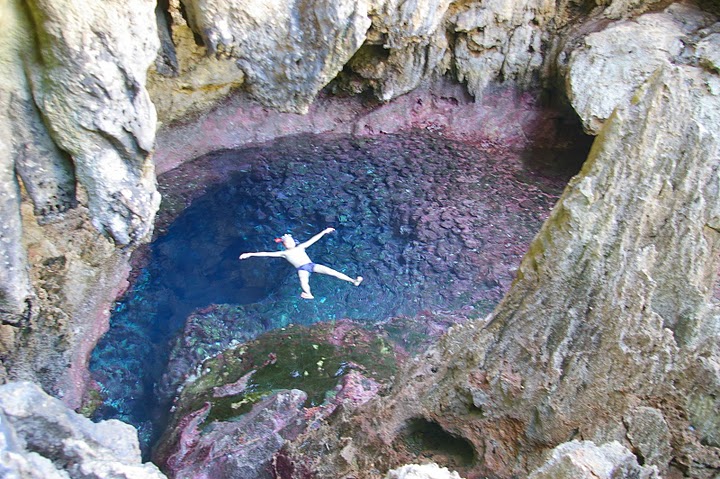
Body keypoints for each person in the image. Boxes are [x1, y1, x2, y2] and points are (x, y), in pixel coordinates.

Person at [239, 227, 363, 299]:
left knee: (331, 272)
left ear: (294, 241)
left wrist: (324, 231)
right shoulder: (283, 253)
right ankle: (308, 294)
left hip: (311, 265)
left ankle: (353, 281)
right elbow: (266, 253)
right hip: (302, 269)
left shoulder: (301, 247)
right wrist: (250, 254)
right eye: (287, 242)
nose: (289, 243)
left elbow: (313, 239)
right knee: (304, 282)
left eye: (291, 240)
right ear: (283, 245)